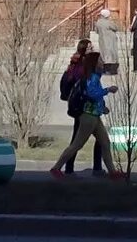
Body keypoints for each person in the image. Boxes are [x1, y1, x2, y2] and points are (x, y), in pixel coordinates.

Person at [49, 51, 123, 179]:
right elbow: (92, 93)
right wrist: (108, 90)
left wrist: (102, 107)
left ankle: (113, 172)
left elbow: (94, 97)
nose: (102, 62)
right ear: (94, 63)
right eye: (100, 60)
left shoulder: (94, 77)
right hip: (88, 117)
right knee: (77, 144)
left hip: (95, 115)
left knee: (105, 143)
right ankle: (56, 168)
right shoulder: (92, 77)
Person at [58, 40, 102, 176]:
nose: (92, 48)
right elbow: (87, 86)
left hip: (82, 107)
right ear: (84, 49)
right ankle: (64, 168)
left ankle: (92, 167)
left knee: (100, 139)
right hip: (85, 108)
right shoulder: (83, 65)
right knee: (78, 141)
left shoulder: (74, 63)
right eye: (90, 47)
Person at [93, 9, 120, 75]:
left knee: (104, 55)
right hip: (110, 40)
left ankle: (105, 70)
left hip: (102, 40)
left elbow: (96, 31)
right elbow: (116, 28)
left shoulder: (98, 22)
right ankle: (111, 70)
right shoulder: (108, 22)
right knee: (111, 55)